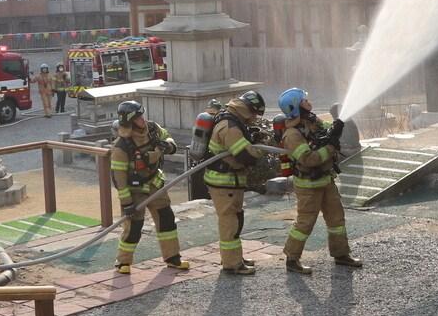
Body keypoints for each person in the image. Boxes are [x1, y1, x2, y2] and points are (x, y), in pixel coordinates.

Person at [278, 87, 363, 274]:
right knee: (305, 223)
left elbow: (326, 133)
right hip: (308, 185)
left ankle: (341, 254)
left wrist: (336, 127)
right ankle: (292, 259)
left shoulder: (312, 121)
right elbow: (309, 159)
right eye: (304, 101)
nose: (309, 102)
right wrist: (331, 148)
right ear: (296, 107)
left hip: (326, 180)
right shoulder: (292, 135)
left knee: (336, 218)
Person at [109, 100, 190, 275]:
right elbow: (118, 178)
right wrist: (127, 203)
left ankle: (173, 258)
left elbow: (167, 136)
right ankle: (123, 262)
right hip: (134, 190)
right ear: (130, 121)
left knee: (167, 219)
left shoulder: (152, 129)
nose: (143, 120)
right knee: (134, 227)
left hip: (155, 184)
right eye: (138, 117)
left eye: (142, 116)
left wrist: (168, 145)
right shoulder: (121, 146)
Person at [204, 89, 267, 276]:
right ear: (247, 109)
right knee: (229, 222)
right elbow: (246, 156)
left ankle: (235, 256)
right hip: (224, 182)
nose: (255, 118)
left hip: (231, 181)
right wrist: (259, 150)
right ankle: (232, 264)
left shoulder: (235, 119)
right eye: (254, 113)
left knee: (236, 219)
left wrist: (252, 138)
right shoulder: (229, 126)